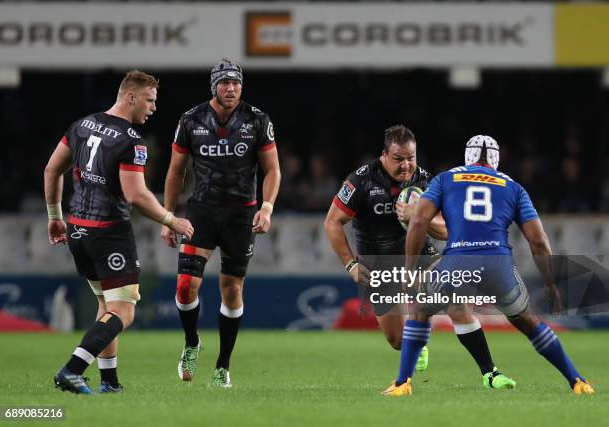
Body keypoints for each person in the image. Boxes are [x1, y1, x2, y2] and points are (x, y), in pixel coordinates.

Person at [383, 135, 595, 396]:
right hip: (499, 266)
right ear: (495, 159)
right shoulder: (514, 187)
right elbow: (539, 241)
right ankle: (577, 381)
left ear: (468, 156)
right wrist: (550, 284)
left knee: (420, 308)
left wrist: (408, 269)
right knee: (529, 323)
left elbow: (417, 222)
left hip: (457, 263)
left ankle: (403, 383)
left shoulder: (446, 179)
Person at [325, 125, 514, 387]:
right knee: (396, 340)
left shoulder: (428, 182)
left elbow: (450, 230)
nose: (406, 166)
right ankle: (417, 345)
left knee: (457, 303)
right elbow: (332, 223)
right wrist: (350, 264)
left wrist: (418, 218)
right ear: (384, 155)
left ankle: (490, 373)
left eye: (411, 158)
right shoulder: (361, 181)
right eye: (398, 159)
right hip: (379, 263)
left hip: (422, 256)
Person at [44, 71, 194, 394]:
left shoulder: (81, 125)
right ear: (131, 97)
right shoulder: (131, 141)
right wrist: (172, 220)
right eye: (150, 100)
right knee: (123, 312)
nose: (153, 108)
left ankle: (110, 383)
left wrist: (55, 216)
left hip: (78, 230)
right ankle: (72, 369)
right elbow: (136, 195)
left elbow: (51, 169)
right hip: (109, 233)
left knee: (106, 305)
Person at [161, 58, 280, 387]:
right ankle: (191, 343)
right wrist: (168, 217)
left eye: (236, 83)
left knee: (232, 291)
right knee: (185, 287)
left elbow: (272, 170)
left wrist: (267, 206)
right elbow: (175, 171)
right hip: (202, 212)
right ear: (213, 85)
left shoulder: (257, 120)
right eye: (225, 82)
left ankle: (222, 366)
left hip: (241, 215)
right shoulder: (191, 119)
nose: (231, 88)